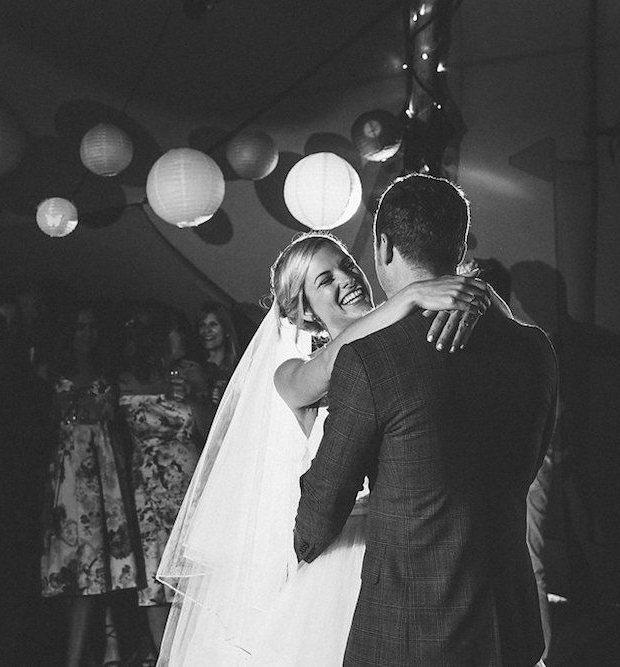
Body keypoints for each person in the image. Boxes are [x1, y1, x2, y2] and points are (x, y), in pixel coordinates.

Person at [156, 228, 493, 665]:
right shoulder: (292, 373)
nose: (347, 278)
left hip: (425, 548)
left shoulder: (411, 338)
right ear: (305, 314)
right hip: (341, 558)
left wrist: (473, 296)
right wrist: (409, 297)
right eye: (325, 280)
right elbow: (339, 362)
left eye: (347, 265)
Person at [294, 174, 559, 666]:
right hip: (508, 620)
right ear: (460, 244)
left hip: (411, 626)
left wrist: (297, 550)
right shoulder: (534, 348)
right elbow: (530, 459)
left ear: (382, 244)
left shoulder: (372, 359)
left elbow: (322, 505)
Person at [39, 305, 139, 667]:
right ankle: (80, 653)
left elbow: (117, 427)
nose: (87, 333)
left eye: (93, 326)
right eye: (80, 326)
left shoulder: (106, 372)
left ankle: (77, 657)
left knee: (91, 570)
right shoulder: (50, 373)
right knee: (65, 570)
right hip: (63, 474)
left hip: (100, 474)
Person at [117, 319, 204, 667]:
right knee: (153, 577)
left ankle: (195, 653)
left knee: (191, 570)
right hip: (145, 485)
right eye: (174, 332)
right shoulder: (125, 380)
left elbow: (212, 428)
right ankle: (165, 658)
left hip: (187, 481)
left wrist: (195, 395)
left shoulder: (191, 374)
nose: (181, 337)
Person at [196, 302, 240, 408]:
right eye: (202, 325)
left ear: (226, 331)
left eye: (213, 324)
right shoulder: (193, 366)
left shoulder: (238, 369)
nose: (206, 330)